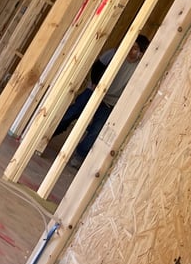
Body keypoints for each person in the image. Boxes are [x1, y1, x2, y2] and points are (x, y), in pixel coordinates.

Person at [53, 34, 150, 168]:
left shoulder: (141, 67)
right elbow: (97, 66)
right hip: (95, 91)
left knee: (97, 130)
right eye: (131, 46)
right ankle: (50, 134)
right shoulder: (115, 53)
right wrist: (94, 83)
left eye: (135, 49)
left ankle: (79, 155)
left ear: (141, 52)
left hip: (110, 102)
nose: (130, 50)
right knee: (73, 112)